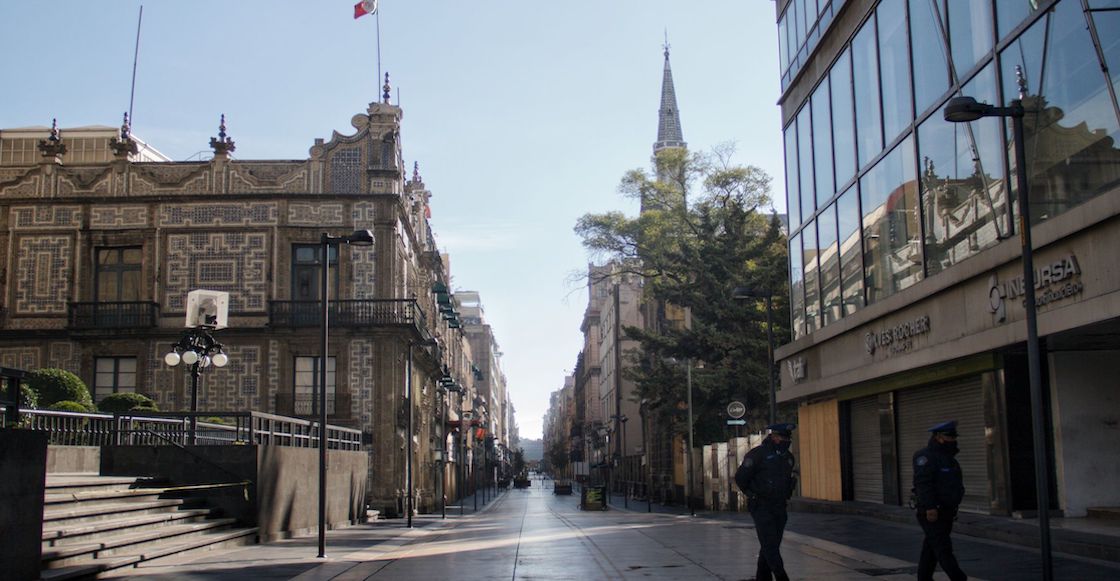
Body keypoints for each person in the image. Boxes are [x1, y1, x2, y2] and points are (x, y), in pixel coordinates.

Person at [735, 423, 797, 581]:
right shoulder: (758, 454)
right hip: (761, 505)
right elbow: (741, 478)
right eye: (783, 437)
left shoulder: (788, 458)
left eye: (787, 438)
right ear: (774, 437)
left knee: (771, 544)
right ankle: (781, 576)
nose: (786, 441)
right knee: (770, 544)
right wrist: (751, 495)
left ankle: (762, 577)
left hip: (780, 505)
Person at [912, 420, 967, 581]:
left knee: (931, 547)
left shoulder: (949, 458)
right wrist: (930, 507)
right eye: (949, 436)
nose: (953, 440)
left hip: (947, 511)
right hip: (932, 511)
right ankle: (959, 578)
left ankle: (924, 578)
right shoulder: (925, 457)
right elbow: (923, 483)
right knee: (943, 548)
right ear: (938, 437)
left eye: (954, 436)